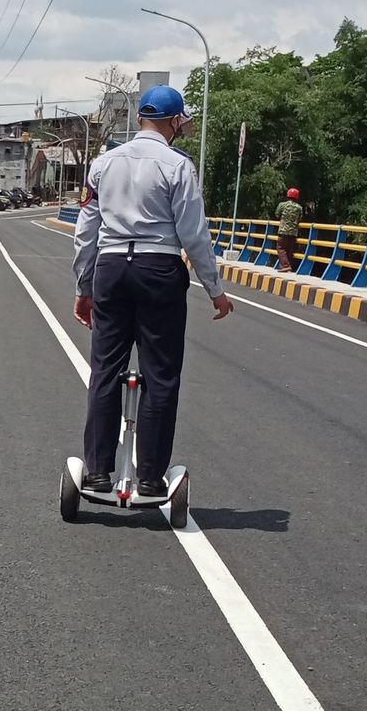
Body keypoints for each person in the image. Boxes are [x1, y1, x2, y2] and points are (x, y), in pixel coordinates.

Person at [73, 85, 233, 496]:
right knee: (160, 375)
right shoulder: (178, 166)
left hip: (110, 266)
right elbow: (193, 233)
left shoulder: (103, 164)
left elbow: (86, 230)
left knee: (105, 370)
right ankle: (148, 477)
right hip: (159, 268)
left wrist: (83, 285)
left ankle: (97, 473)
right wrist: (214, 288)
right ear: (175, 121)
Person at [275, 188, 303, 272]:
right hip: (294, 232)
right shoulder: (299, 207)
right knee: (290, 250)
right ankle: (289, 266)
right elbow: (300, 218)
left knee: (280, 248)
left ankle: (285, 266)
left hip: (283, 231)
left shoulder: (282, 205)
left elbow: (277, 214)